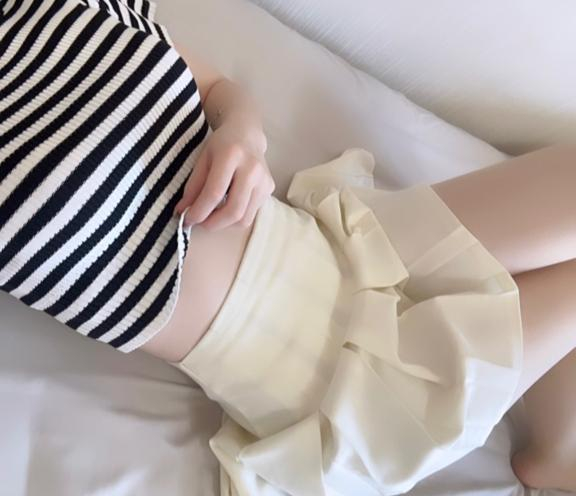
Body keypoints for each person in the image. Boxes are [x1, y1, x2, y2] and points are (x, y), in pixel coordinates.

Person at [1, 0, 575, 493]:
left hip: (352, 242)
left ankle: (554, 443)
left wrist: (242, 134)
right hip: (343, 388)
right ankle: (553, 455)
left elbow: (218, 90)